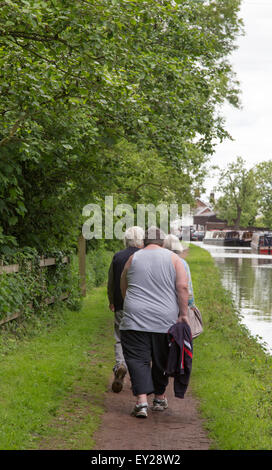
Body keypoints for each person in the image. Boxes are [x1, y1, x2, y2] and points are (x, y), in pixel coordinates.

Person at [119, 226, 189, 418]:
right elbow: (183, 287)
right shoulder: (175, 259)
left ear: (143, 242)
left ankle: (141, 402)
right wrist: (183, 314)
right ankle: (159, 398)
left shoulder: (133, 258)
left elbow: (123, 285)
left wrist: (130, 305)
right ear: (164, 243)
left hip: (135, 317)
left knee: (136, 358)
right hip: (164, 319)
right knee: (162, 359)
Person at [107, 226, 144, 393]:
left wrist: (112, 300)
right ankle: (138, 377)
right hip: (141, 307)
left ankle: (120, 364)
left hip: (121, 305)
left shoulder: (118, 256)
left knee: (120, 337)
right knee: (139, 340)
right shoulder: (144, 257)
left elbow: (112, 282)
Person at [163, 234, 195, 308]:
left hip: (162, 303)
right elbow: (187, 286)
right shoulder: (182, 263)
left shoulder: (159, 262)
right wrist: (191, 304)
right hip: (178, 304)